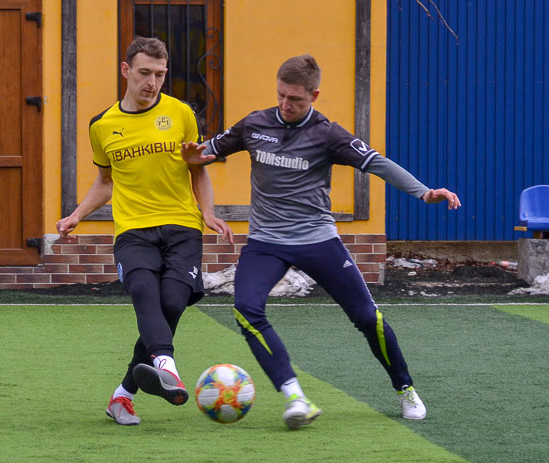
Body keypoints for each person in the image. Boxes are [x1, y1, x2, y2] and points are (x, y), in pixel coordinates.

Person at [181, 54, 461, 429]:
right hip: (265, 241)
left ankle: (405, 387)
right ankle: (295, 396)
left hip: (317, 239)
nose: (285, 105)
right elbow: (209, 151)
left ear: (314, 95)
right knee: (246, 310)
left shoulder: (329, 134)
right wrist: (194, 156)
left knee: (366, 317)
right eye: (280, 95)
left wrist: (424, 192)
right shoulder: (254, 124)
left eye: (295, 99)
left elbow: (377, 163)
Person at [56, 37, 232, 426]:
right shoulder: (102, 125)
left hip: (182, 226)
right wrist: (77, 215)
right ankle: (166, 365)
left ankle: (122, 396)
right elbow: (105, 181)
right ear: (126, 71)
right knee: (142, 291)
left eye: (159, 74)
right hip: (133, 228)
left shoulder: (182, 113)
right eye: (144, 73)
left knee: (170, 304)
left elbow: (197, 169)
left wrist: (208, 213)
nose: (152, 83)